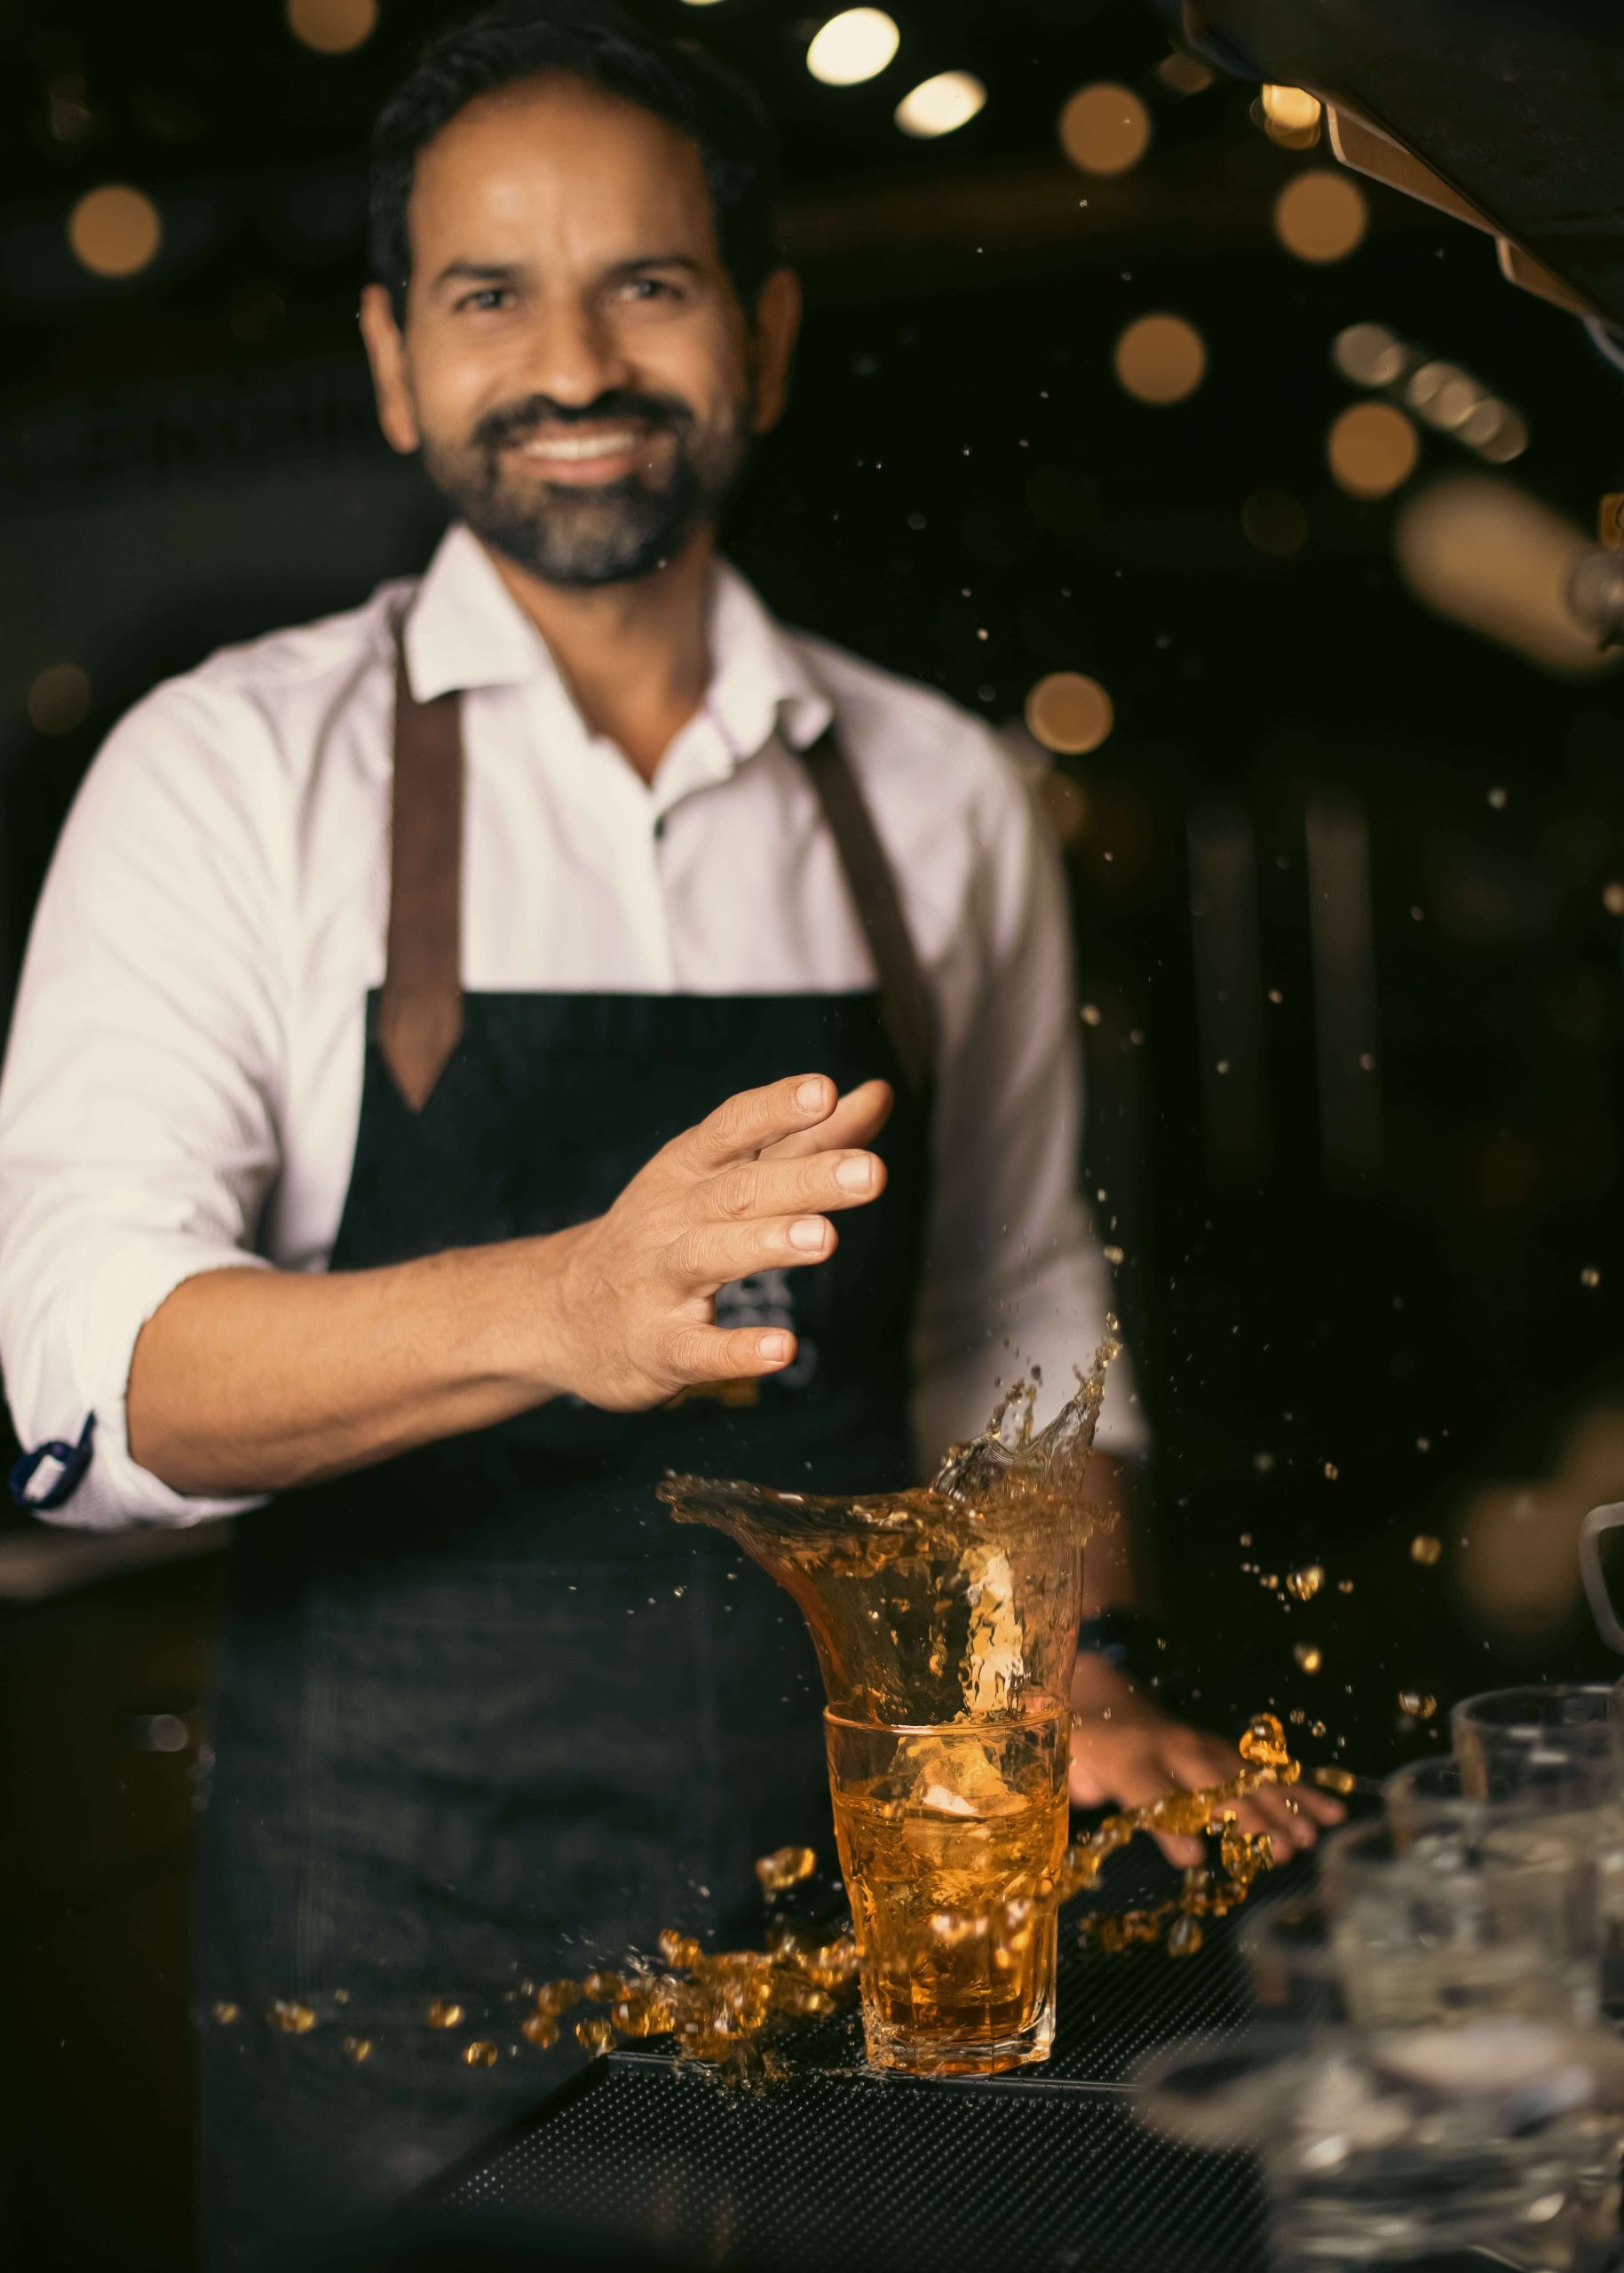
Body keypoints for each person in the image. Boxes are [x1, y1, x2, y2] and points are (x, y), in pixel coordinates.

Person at [0, 3, 1339, 2261]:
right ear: (393, 359)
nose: (574, 357)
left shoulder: (940, 798)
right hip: (394, 1947)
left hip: (871, 1924)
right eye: (486, 293)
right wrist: (562, 1302)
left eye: (649, 281)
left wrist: (1074, 1674)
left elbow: (1018, 1322)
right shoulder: (225, 774)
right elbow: (71, 1363)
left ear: (765, 333)